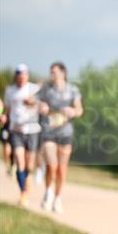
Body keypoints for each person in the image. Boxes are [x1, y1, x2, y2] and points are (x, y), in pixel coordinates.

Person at [37, 62, 83, 213]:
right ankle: (48, 192)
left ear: (63, 73)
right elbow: (33, 101)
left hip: (65, 132)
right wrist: (41, 106)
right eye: (51, 72)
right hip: (49, 131)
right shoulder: (46, 89)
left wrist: (73, 111)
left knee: (62, 169)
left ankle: (58, 198)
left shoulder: (72, 89)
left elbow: (79, 109)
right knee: (52, 165)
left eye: (55, 72)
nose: (52, 75)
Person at [3, 64, 42, 206]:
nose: (21, 78)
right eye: (19, 75)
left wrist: (33, 102)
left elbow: (43, 106)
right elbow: (7, 108)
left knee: (29, 164)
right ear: (16, 77)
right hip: (16, 130)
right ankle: (23, 193)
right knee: (20, 161)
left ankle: (27, 178)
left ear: (27, 76)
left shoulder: (34, 89)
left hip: (32, 130)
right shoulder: (10, 91)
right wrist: (4, 116)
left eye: (24, 75)